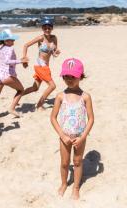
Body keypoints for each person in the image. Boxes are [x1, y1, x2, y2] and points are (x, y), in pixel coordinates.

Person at [50, 58, 94, 200]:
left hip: (80, 136)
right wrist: (62, 135)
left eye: (72, 76)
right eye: (66, 76)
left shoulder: (85, 97)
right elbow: (53, 118)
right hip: (65, 136)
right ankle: (64, 184)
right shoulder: (60, 96)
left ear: (80, 76)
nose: (69, 79)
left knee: (77, 162)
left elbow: (91, 119)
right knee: (64, 162)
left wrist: (83, 136)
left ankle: (75, 187)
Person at [22, 18, 61, 110]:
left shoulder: (54, 38)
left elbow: (53, 53)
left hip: (46, 66)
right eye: (45, 28)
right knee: (52, 86)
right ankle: (39, 104)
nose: (47, 30)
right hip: (39, 64)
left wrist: (56, 53)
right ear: (42, 28)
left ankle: (17, 96)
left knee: (35, 88)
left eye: (49, 28)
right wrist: (24, 58)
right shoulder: (40, 38)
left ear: (52, 28)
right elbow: (25, 45)